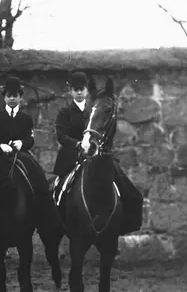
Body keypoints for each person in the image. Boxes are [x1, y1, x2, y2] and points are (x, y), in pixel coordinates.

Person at [52, 70, 144, 235]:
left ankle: (125, 225)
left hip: (98, 155)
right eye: (75, 89)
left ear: (87, 90)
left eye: (82, 89)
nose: (79, 92)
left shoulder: (95, 109)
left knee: (130, 191)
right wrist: (78, 144)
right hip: (72, 155)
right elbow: (61, 136)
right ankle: (59, 219)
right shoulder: (65, 112)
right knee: (59, 190)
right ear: (71, 91)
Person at [0, 76, 65, 237]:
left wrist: (21, 143)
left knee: (36, 171)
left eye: (15, 95)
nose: (12, 99)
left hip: (20, 155)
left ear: (20, 97)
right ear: (4, 97)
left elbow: (30, 139)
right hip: (0, 155)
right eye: (9, 95)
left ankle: (43, 211)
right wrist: (0, 146)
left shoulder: (25, 119)